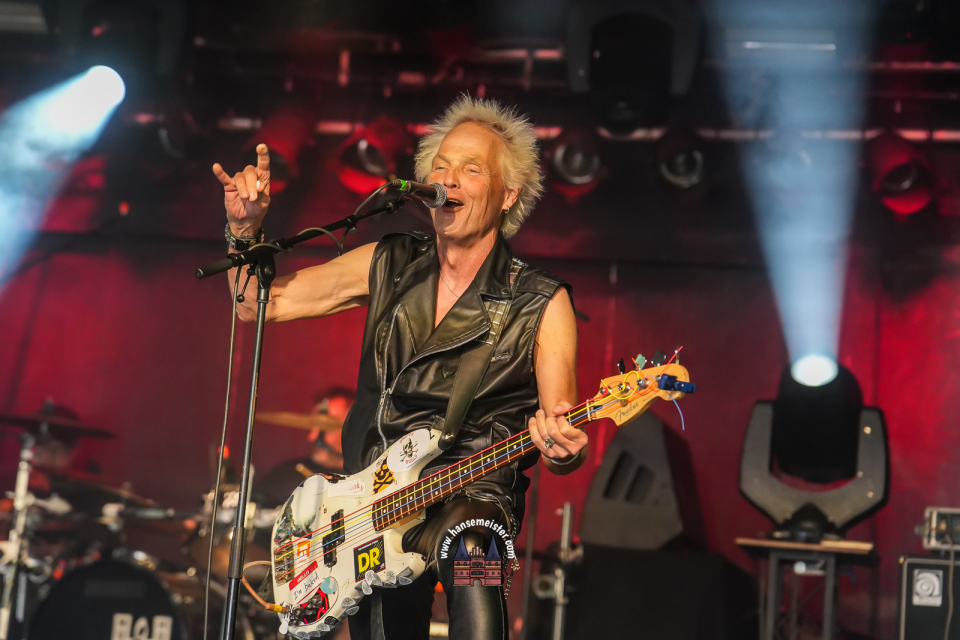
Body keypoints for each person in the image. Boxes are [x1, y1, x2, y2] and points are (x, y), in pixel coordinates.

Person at [213, 95, 587, 640]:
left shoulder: (542, 301)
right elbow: (256, 303)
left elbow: (560, 427)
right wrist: (244, 231)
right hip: (376, 499)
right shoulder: (388, 261)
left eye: (471, 169)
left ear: (508, 195)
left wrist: (562, 449)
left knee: (473, 548)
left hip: (473, 493)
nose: (449, 179)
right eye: (441, 166)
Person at [255, 387, 354, 507]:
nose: (312, 437)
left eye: (326, 427)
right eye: (312, 426)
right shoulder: (285, 476)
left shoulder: (368, 479)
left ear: (354, 430)